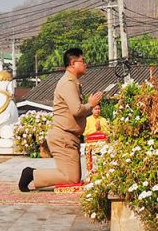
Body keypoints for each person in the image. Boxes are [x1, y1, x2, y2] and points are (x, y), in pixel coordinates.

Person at [20, 48, 102, 192]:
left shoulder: (73, 82)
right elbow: (76, 110)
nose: (86, 64)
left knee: (73, 177)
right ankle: (31, 174)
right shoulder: (67, 83)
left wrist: (88, 105)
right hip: (63, 136)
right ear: (73, 63)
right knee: (71, 178)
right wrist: (91, 104)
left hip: (68, 137)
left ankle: (32, 174)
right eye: (83, 61)